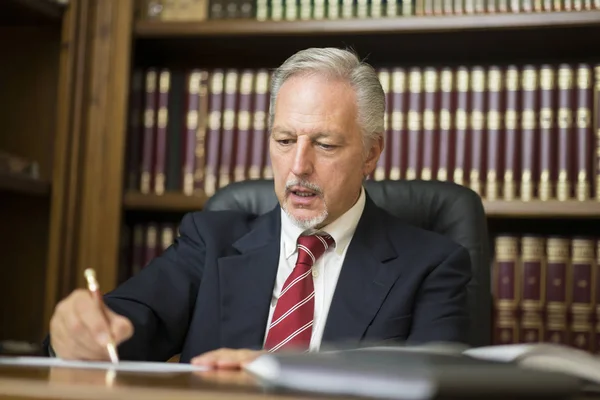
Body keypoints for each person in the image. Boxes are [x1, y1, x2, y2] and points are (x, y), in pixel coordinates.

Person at [46, 47, 472, 369]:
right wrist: (78, 331)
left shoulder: (432, 265)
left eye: (324, 144)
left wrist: (282, 373)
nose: (299, 167)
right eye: (284, 141)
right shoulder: (211, 241)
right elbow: (131, 320)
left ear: (371, 154)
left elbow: (434, 384)